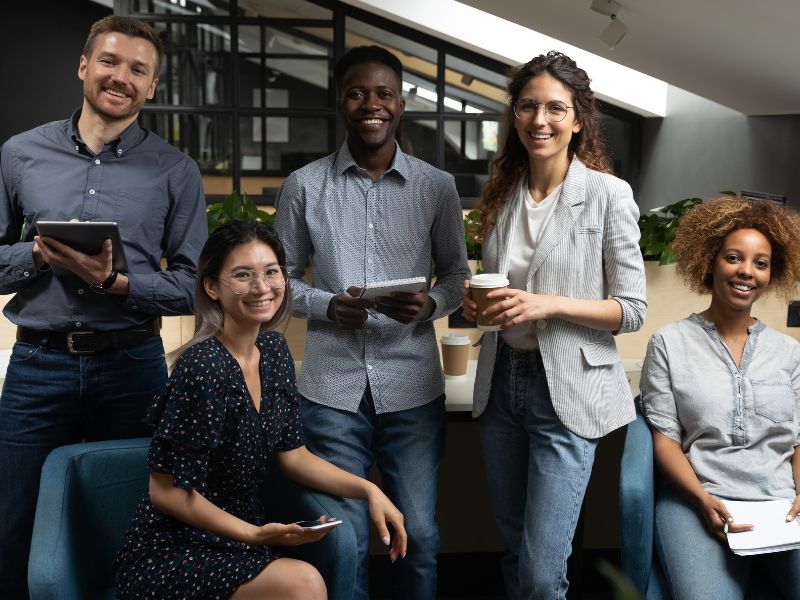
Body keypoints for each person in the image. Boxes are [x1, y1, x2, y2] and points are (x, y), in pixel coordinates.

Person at [0, 15, 207, 598]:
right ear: (84, 67)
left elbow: (194, 285)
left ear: (153, 86)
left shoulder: (176, 171)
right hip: (37, 368)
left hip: (132, 366)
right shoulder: (19, 154)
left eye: (138, 69)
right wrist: (40, 255)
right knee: (14, 524)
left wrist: (116, 282)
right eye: (110, 62)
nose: (122, 77)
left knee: (135, 520)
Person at [114, 220, 406, 599]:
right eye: (243, 275)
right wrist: (253, 533)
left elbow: (294, 457)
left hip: (240, 538)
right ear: (211, 286)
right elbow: (165, 493)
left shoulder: (274, 352)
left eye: (271, 272)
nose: (262, 287)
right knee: (304, 583)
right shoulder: (203, 366)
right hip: (172, 548)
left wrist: (369, 490)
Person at [274, 45, 470, 599]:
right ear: (341, 102)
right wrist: (329, 305)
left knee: (422, 535)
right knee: (348, 539)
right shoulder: (305, 185)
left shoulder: (437, 186)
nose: (371, 104)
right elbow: (280, 280)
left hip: (412, 383)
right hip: (331, 388)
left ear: (401, 103)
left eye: (383, 93)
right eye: (358, 93)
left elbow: (457, 275)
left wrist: (429, 304)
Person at [461, 51, 647, 599]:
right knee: (516, 549)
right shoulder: (501, 196)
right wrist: (479, 309)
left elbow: (630, 309)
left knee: (544, 571)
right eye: (527, 107)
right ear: (514, 116)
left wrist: (546, 304)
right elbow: (502, 291)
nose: (539, 120)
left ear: (578, 119)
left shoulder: (607, 195)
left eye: (554, 108)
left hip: (566, 391)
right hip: (501, 386)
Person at [639, 196, 800, 600]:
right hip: (699, 501)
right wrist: (700, 498)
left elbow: (797, 440)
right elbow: (665, 439)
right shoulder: (668, 343)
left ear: (771, 273)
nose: (747, 272)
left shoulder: (789, 352)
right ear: (711, 261)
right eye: (734, 258)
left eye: (760, 263)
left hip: (781, 506)